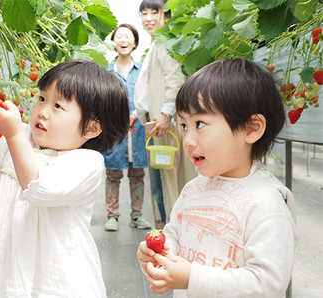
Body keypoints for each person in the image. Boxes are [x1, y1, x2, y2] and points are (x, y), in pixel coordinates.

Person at [0, 60, 130, 297]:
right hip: (5, 278)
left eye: (58, 105)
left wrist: (12, 134)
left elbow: (38, 186)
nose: (42, 110)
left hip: (59, 285)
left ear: (91, 129)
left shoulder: (87, 163)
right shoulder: (20, 138)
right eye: (42, 98)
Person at [137, 58, 300, 297]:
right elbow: (175, 235)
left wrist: (192, 277)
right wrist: (159, 254)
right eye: (184, 125)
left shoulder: (267, 205)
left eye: (200, 123)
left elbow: (267, 284)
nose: (188, 139)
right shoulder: (192, 190)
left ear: (251, 128)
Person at [130, 0, 197, 229]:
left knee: (168, 182)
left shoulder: (165, 43)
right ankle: (168, 231)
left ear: (166, 16)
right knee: (161, 181)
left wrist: (166, 114)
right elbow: (150, 88)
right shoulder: (156, 45)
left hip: (164, 125)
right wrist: (136, 113)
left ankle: (172, 234)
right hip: (157, 124)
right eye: (144, 13)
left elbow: (175, 81)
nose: (148, 18)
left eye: (154, 12)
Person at [102, 23, 151, 231]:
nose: (124, 40)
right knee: (113, 175)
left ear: (135, 42)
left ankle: (136, 216)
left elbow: (148, 97)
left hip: (137, 131)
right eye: (119, 36)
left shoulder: (143, 71)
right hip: (114, 132)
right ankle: (112, 216)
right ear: (113, 41)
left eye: (128, 36)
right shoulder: (106, 72)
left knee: (137, 175)